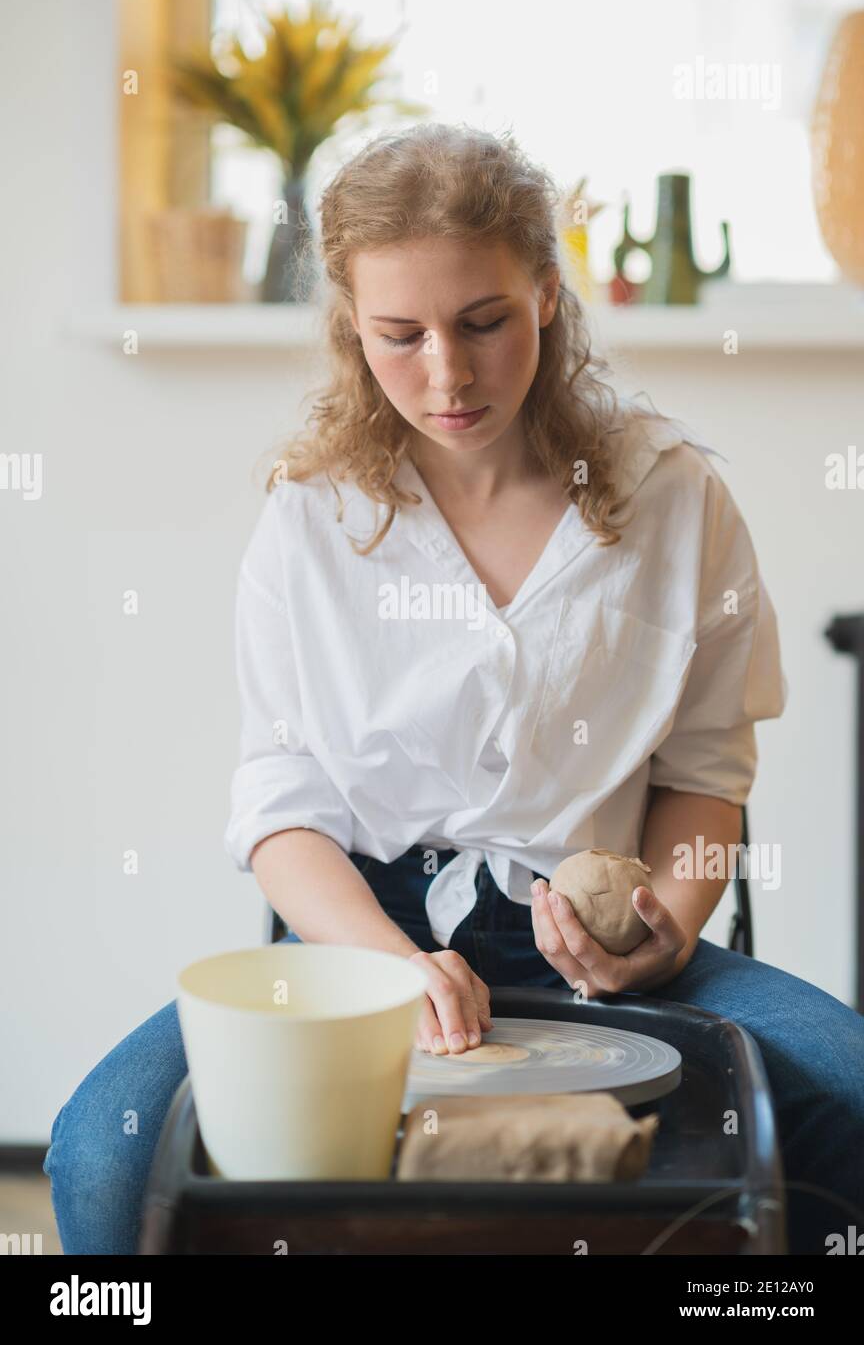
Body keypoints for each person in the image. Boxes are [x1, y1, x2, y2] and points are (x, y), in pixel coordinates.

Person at [44, 123, 864, 1256]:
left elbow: (705, 771)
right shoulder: (310, 519)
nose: (448, 373)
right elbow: (280, 807)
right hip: (352, 941)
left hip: (600, 946)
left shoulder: (675, 498)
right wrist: (386, 968)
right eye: (401, 334)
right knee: (103, 1154)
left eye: (483, 321)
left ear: (545, 293)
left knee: (850, 1098)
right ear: (351, 328)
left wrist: (666, 930)